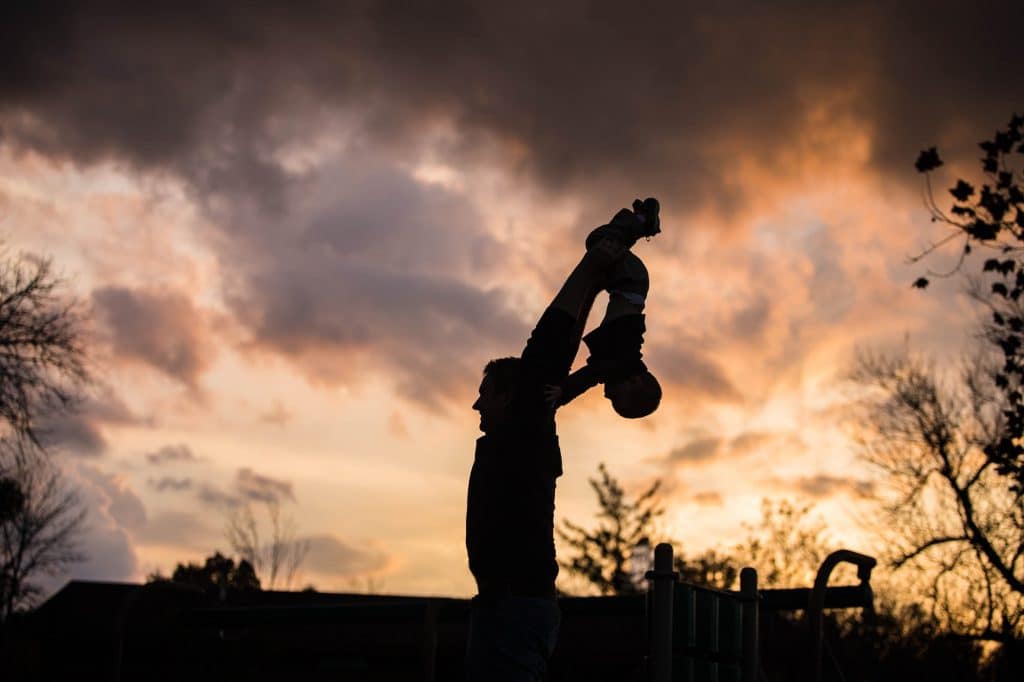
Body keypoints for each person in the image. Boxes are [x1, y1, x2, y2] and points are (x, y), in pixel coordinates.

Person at [465, 198, 661, 681]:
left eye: (484, 394)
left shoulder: (526, 424)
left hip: (513, 606)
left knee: (555, 341)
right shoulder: (524, 424)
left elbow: (552, 349)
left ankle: (619, 238)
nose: (475, 406)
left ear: (511, 400)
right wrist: (596, 274)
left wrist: (596, 265)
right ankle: (618, 239)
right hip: (503, 605)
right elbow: (564, 355)